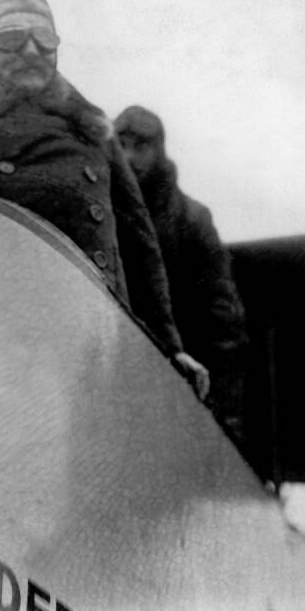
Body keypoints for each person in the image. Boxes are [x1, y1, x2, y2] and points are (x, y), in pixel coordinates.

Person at [0, 0, 208, 397]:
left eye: (44, 39)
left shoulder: (92, 128)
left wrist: (170, 347)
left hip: (89, 334)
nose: (30, 50)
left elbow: (137, 243)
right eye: (11, 38)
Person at [114, 106, 249, 443]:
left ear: (159, 150)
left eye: (141, 146)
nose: (129, 157)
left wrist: (223, 411)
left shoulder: (192, 219)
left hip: (181, 378)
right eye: (121, 145)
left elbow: (222, 318)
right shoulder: (101, 211)